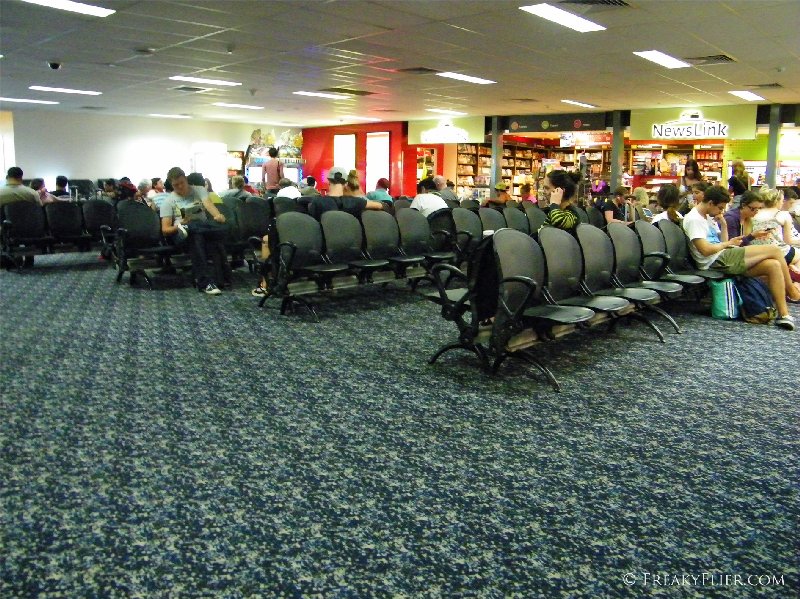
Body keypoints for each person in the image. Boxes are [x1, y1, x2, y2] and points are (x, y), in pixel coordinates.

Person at [683, 185, 799, 330]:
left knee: (773, 265)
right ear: (711, 203)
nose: (721, 211)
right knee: (775, 250)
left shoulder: (706, 216)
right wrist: (728, 244)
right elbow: (705, 250)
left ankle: (784, 315)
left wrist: (723, 226)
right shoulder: (694, 219)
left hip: (722, 256)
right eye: (720, 208)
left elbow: (719, 242)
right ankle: (793, 292)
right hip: (716, 260)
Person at [160, 166, 229, 295]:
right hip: (180, 234)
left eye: (182, 183)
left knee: (200, 232)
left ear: (186, 179)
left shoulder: (199, 190)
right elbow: (165, 230)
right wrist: (181, 224)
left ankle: (207, 280)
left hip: (199, 230)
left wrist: (217, 215)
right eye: (176, 185)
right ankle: (205, 281)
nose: (180, 187)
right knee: (193, 232)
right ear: (171, 185)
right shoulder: (168, 202)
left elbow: (208, 204)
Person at [748, 186, 800, 271]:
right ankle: (796, 280)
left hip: (756, 251)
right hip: (777, 252)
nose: (782, 203)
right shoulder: (783, 214)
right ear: (777, 201)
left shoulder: (754, 213)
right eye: (782, 201)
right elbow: (788, 241)